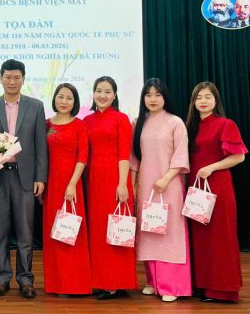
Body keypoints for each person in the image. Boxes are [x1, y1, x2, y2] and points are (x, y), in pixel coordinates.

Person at [0, 59, 48, 299]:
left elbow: (40, 145)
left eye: (17, 77)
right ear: (1, 79)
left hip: (24, 177)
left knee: (26, 232)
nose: (12, 81)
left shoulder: (36, 106)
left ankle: (26, 279)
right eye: (7, 77)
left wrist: (40, 177)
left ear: (23, 79)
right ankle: (1, 278)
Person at [130, 78, 191, 303]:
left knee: (170, 232)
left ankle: (172, 285)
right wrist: (133, 184)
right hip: (146, 185)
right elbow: (134, 158)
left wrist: (166, 178)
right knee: (149, 230)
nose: (153, 99)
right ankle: (153, 282)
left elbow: (181, 155)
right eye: (148, 95)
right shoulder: (138, 123)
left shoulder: (175, 122)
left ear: (165, 97)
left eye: (157, 94)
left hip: (169, 184)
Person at [185, 81, 247, 302]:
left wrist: (211, 167)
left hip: (218, 186)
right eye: (199, 97)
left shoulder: (226, 124)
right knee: (200, 238)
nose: (203, 101)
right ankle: (202, 285)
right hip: (195, 188)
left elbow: (239, 156)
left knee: (220, 238)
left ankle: (222, 290)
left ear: (216, 100)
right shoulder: (190, 127)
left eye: (207, 97)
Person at [84, 76, 137, 299]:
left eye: (107, 91)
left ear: (114, 95)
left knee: (116, 230)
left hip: (115, 180)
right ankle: (103, 280)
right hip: (94, 180)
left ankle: (116, 282)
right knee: (98, 231)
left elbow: (124, 154)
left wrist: (123, 184)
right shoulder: (87, 120)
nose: (102, 95)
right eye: (99, 91)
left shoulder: (121, 118)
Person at [43, 83, 92, 295]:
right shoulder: (46, 124)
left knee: (72, 231)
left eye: (69, 98)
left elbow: (83, 156)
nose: (64, 101)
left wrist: (72, 183)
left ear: (75, 102)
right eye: (60, 97)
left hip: (72, 183)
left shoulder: (80, 125)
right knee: (54, 233)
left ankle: (75, 284)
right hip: (51, 184)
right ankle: (56, 283)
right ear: (54, 98)